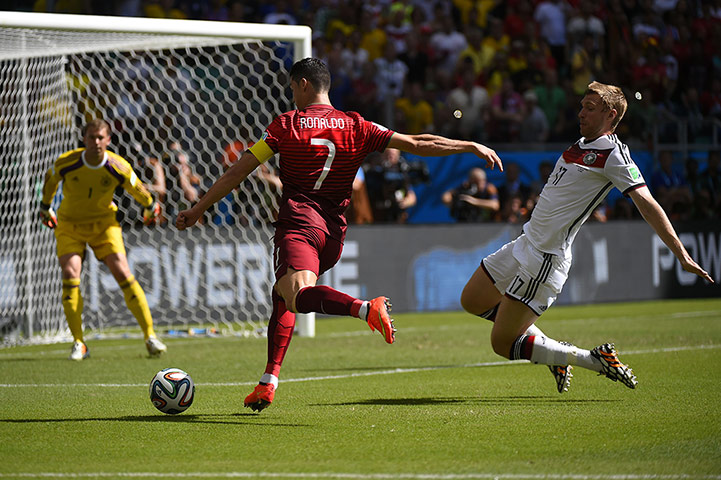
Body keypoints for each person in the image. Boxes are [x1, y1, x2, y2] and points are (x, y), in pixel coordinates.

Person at [176, 58, 502, 411]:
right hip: (333, 234)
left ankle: (364, 308)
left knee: (297, 295)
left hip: (300, 225)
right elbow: (417, 142)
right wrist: (469, 145)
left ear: (302, 84)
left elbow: (237, 172)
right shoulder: (356, 125)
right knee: (283, 295)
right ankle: (268, 382)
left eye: (291, 89)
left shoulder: (286, 125)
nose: (291, 96)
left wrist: (199, 208)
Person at [460, 82, 713, 395]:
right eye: (581, 105)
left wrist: (681, 253)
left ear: (610, 115)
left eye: (589, 108)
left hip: (545, 258)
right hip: (525, 243)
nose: (580, 112)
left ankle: (591, 359)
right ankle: (551, 351)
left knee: (501, 343)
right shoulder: (581, 142)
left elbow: (647, 203)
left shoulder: (614, 154)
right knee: (472, 299)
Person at [39, 119, 167, 360]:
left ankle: (150, 336)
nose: (96, 142)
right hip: (70, 224)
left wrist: (150, 206)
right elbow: (50, 180)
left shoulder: (117, 166)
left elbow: (137, 188)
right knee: (70, 272)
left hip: (104, 224)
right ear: (84, 139)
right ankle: (79, 343)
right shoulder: (67, 162)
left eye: (100, 138)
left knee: (121, 271)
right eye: (91, 137)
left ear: (108, 140)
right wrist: (46, 208)